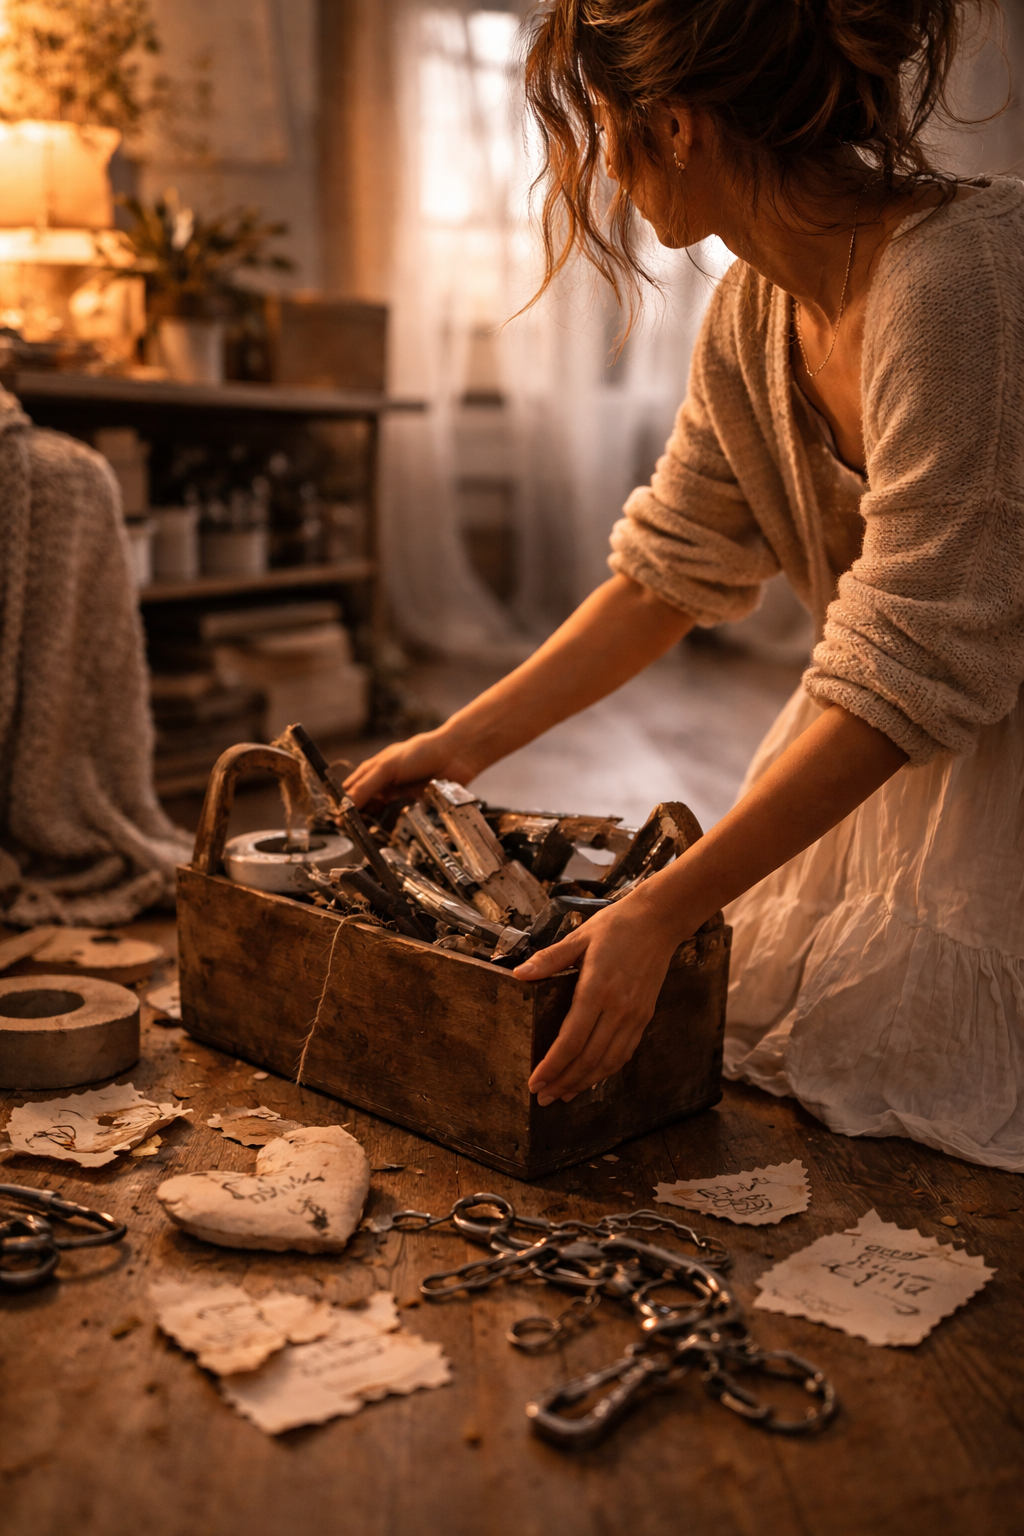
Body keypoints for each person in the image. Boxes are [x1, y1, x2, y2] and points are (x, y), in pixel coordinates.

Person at [349, 0, 1024, 1172]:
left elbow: (923, 653)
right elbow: (669, 567)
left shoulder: (957, 286)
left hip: (961, 721)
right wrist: (458, 745)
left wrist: (660, 908)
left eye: (603, 126)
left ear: (671, 128)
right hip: (905, 725)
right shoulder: (750, 313)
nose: (600, 165)